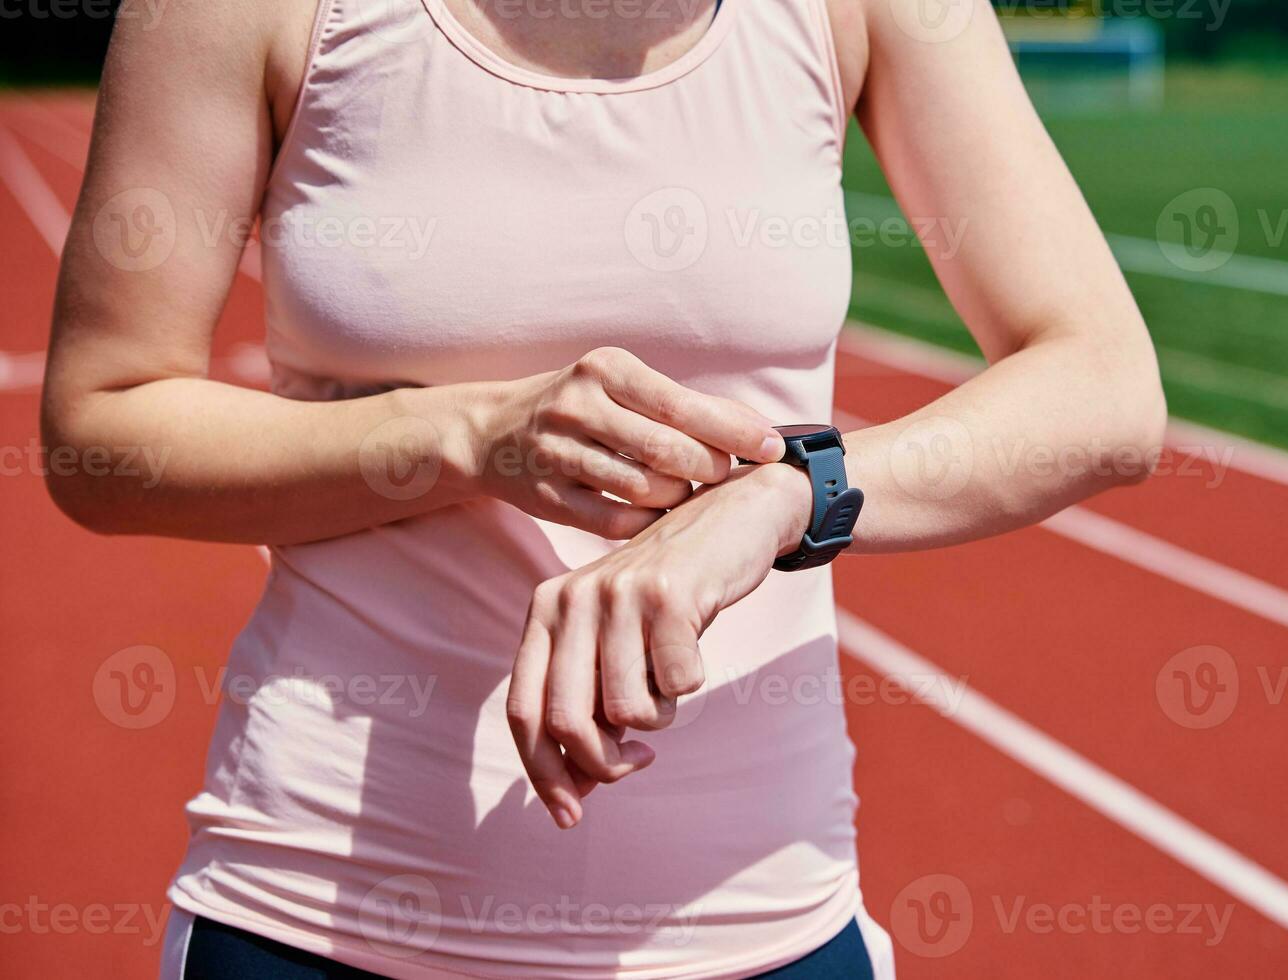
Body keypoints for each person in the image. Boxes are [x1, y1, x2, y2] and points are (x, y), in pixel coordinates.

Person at [42, 0, 1165, 975]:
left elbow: (1102, 386)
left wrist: (785, 494)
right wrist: (472, 432)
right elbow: (100, 427)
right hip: (321, 919)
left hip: (762, 918)